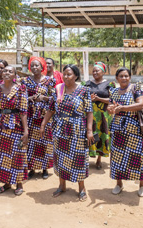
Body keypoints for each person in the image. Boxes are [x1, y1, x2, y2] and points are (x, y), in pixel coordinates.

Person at [40, 64, 94, 201]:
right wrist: (43, 124)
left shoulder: (83, 90)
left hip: (77, 130)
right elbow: (51, 109)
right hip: (60, 130)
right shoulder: (57, 90)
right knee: (61, 157)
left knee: (78, 158)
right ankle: (62, 185)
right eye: (64, 74)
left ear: (76, 76)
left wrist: (89, 131)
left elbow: (89, 111)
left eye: (69, 74)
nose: (66, 77)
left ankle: (81, 188)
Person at [0, 65, 29, 196]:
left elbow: (23, 111)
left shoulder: (21, 89)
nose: (6, 72)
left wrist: (26, 131)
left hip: (16, 125)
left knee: (18, 154)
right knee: (2, 156)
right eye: (5, 71)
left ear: (15, 75)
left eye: (10, 71)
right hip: (0, 126)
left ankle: (19, 183)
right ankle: (6, 183)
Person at [107, 67, 143, 197]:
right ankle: (119, 184)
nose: (124, 78)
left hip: (133, 127)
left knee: (137, 156)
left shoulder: (136, 89)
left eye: (126, 76)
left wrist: (123, 108)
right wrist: (111, 109)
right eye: (121, 76)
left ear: (130, 77)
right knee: (117, 156)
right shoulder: (113, 92)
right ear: (117, 78)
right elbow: (109, 107)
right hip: (118, 128)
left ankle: (142, 185)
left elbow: (140, 104)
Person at [21, 56, 55, 180]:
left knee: (44, 141)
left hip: (44, 116)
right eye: (33, 65)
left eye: (37, 65)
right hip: (30, 116)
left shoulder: (49, 81)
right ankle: (32, 168)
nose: (35, 67)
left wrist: (43, 98)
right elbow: (21, 97)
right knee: (31, 143)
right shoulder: (25, 81)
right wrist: (30, 99)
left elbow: (54, 98)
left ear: (42, 67)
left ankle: (45, 168)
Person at [82, 62, 115, 169]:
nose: (95, 72)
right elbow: (80, 97)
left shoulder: (110, 84)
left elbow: (113, 100)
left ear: (103, 72)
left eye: (98, 70)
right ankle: (86, 158)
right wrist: (88, 99)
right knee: (87, 134)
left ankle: (99, 159)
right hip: (89, 114)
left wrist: (98, 99)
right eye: (94, 70)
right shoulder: (86, 83)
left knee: (102, 135)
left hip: (103, 116)